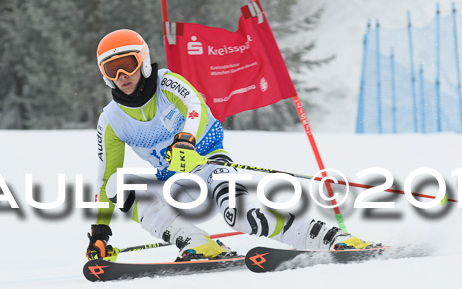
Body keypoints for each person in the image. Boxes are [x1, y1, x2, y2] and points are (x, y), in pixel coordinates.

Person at [86, 29, 372, 262]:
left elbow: (195, 104)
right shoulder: (111, 119)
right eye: (111, 69)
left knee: (246, 218)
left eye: (128, 64)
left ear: (144, 61)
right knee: (116, 185)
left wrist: (187, 138)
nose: (121, 75)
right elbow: (105, 176)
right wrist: (100, 232)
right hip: (176, 187)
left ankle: (331, 238)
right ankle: (196, 243)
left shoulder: (167, 84)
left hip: (211, 166)